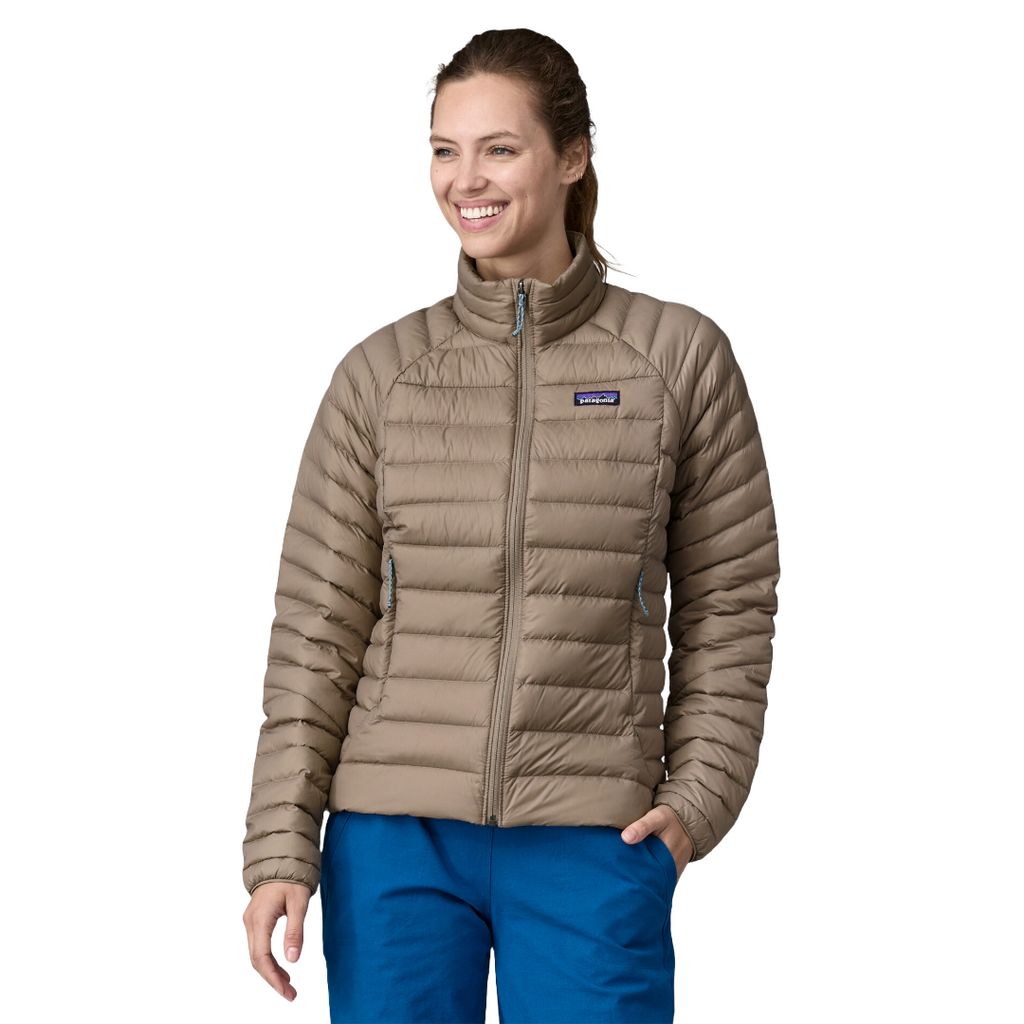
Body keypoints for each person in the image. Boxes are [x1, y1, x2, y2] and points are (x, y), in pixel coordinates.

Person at [241, 27, 780, 1024]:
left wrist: (696, 800)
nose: (466, 179)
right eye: (444, 150)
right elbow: (316, 625)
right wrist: (280, 842)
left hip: (594, 834)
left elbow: (732, 604)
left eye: (499, 148)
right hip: (391, 837)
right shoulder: (382, 376)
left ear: (572, 156)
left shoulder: (678, 360)